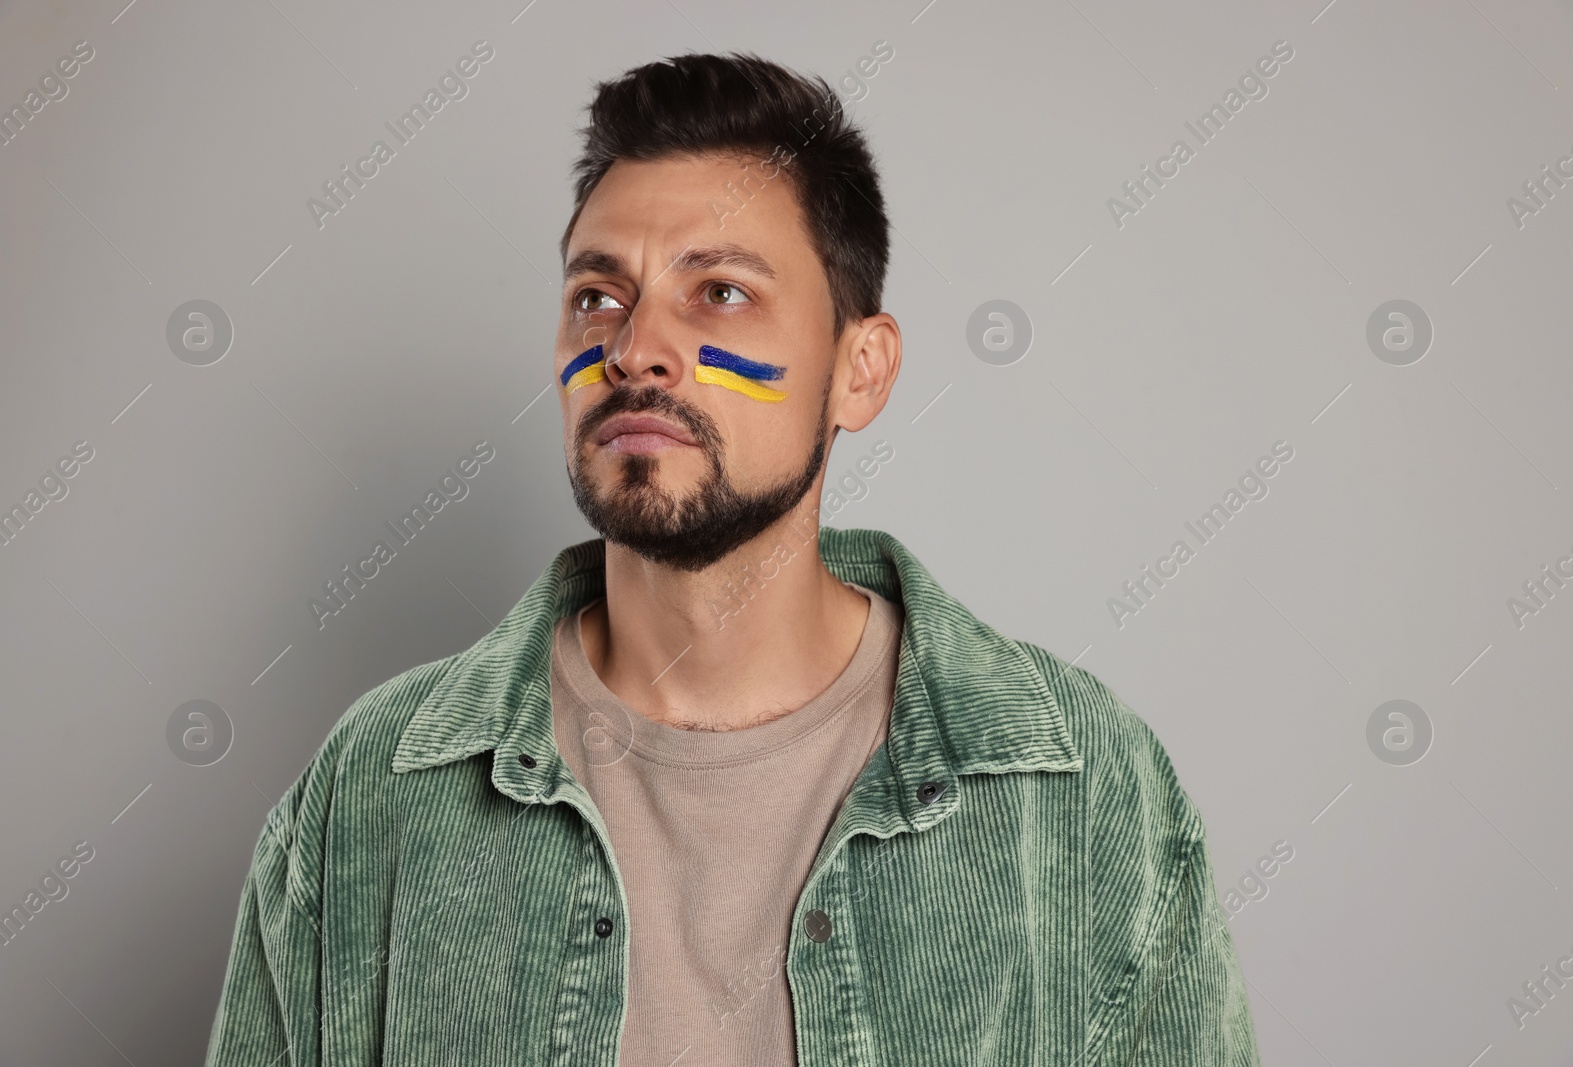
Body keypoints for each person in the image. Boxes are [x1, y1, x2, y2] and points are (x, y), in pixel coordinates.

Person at [204, 51, 1262, 1066]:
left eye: (718, 292)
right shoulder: (375, 792)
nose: (633, 347)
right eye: (597, 295)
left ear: (860, 370)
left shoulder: (1082, 792)